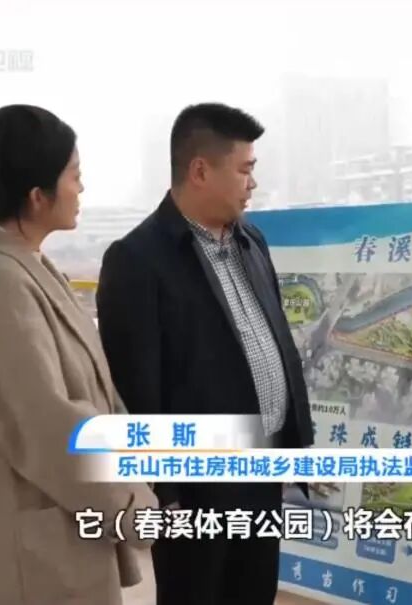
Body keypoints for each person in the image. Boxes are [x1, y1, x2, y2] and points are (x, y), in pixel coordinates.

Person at [0, 104, 157, 605]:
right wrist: (133, 505)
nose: (81, 188)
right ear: (37, 196)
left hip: (51, 524)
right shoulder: (0, 283)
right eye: (74, 175)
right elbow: (47, 426)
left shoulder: (25, 266)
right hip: (32, 549)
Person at [96, 102, 314, 605]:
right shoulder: (137, 259)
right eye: (244, 169)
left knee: (254, 593)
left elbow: (276, 342)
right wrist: (164, 494)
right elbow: (136, 389)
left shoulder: (251, 242)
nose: (252, 183)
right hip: (195, 493)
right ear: (200, 170)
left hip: (263, 474)